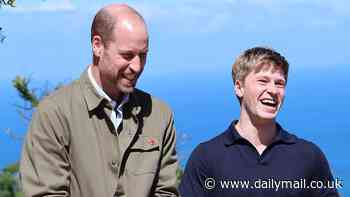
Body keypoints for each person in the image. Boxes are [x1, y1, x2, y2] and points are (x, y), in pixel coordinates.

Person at [20, 4, 179, 197]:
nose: (137, 66)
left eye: (143, 55)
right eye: (127, 55)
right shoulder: (55, 113)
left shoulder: (158, 115)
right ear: (97, 46)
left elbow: (167, 192)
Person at [179, 47, 340, 197]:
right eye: (263, 81)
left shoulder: (308, 156)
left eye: (279, 83)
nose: (273, 90)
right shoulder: (206, 157)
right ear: (239, 87)